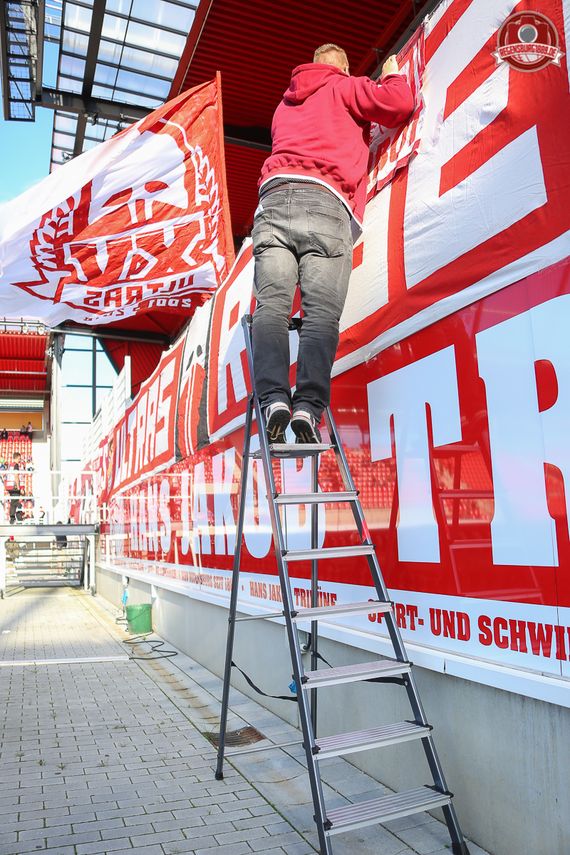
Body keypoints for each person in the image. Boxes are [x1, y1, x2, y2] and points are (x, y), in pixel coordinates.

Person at [251, 44, 414, 443]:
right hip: (325, 202)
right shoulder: (344, 87)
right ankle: (307, 406)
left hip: (272, 200)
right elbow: (399, 104)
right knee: (320, 314)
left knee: (270, 308)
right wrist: (391, 74)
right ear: (341, 67)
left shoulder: (283, 106)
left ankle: (273, 398)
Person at [5, 451, 21, 523]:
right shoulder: (16, 465)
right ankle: (16, 518)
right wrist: (18, 486)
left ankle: (13, 518)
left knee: (13, 502)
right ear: (16, 458)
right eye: (19, 458)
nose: (20, 460)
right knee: (15, 502)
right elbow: (16, 475)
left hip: (9, 485)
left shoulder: (10, 465)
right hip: (14, 486)